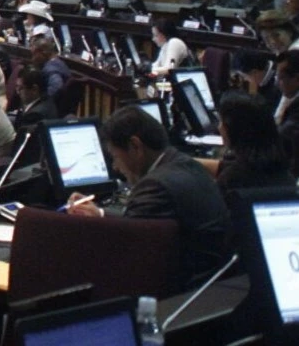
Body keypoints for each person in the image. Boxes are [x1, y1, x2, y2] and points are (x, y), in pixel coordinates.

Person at [67, 106, 230, 293]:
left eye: (115, 156)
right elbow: (146, 225)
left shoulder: (155, 186)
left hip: (183, 295)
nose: (115, 167)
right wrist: (101, 215)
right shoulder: (183, 162)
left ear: (135, 146)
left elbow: (128, 254)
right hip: (213, 286)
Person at [214, 92, 292, 195]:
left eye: (221, 122)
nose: (219, 127)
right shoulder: (279, 167)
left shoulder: (232, 179)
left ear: (233, 129)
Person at [11, 67, 62, 132]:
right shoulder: (41, 99)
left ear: (34, 89)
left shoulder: (35, 115)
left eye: (21, 88)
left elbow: (21, 138)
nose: (17, 91)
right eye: (16, 86)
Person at [30, 35, 71, 102]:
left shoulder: (50, 69)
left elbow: (57, 86)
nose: (32, 59)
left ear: (43, 53)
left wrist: (39, 102)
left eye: (34, 54)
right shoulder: (59, 62)